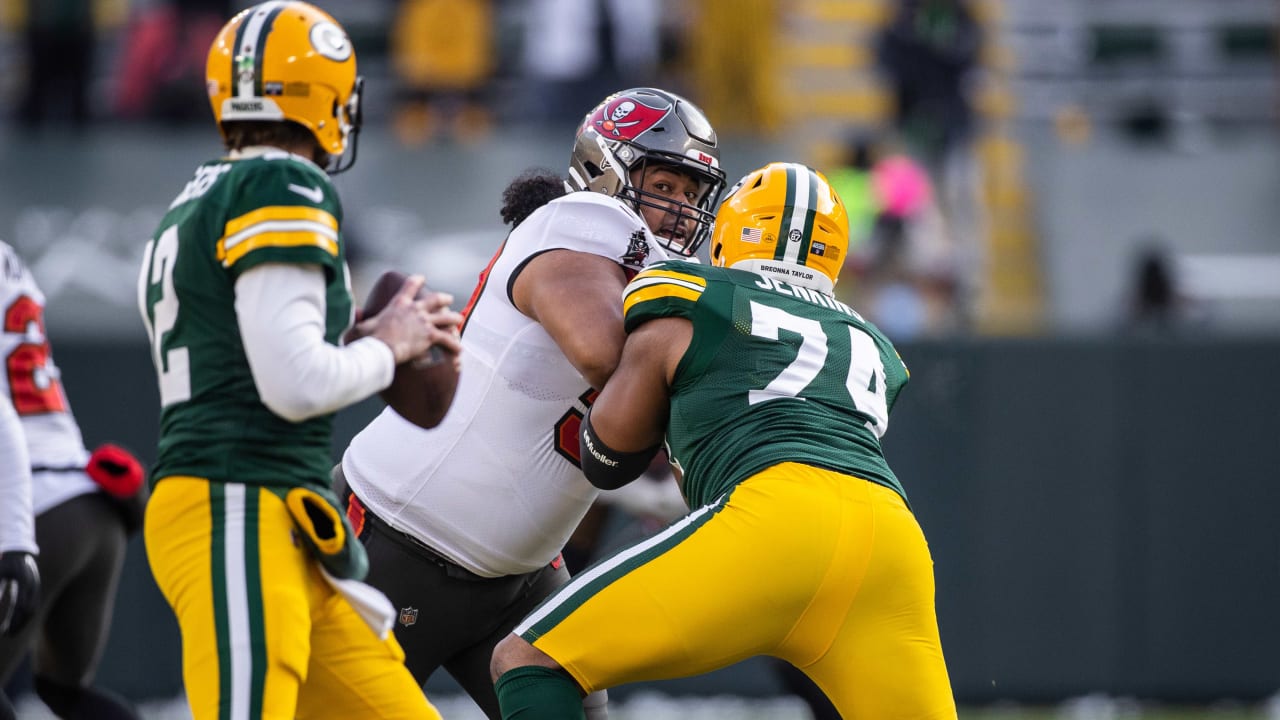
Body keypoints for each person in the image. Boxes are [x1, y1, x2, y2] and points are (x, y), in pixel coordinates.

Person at [491, 162, 958, 720]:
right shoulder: (869, 337)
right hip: (893, 539)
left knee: (527, 660)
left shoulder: (695, 292)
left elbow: (608, 456)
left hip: (776, 518)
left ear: (733, 226)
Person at [334, 86, 726, 719]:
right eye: (666, 185)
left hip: (520, 576)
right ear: (609, 170)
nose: (680, 210)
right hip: (399, 539)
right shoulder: (579, 222)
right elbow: (606, 355)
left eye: (690, 194)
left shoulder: (655, 278)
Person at [135, 3, 461, 719]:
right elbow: (294, 384)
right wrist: (390, 344)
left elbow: (258, 365)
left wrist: (360, 344)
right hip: (237, 503)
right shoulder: (282, 183)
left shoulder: (199, 197)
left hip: (271, 514)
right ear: (324, 94)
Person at [0, 240, 146, 720]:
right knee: (65, 692)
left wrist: (15, 541)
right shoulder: (9, 260)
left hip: (35, 509)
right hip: (89, 504)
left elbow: (4, 422)